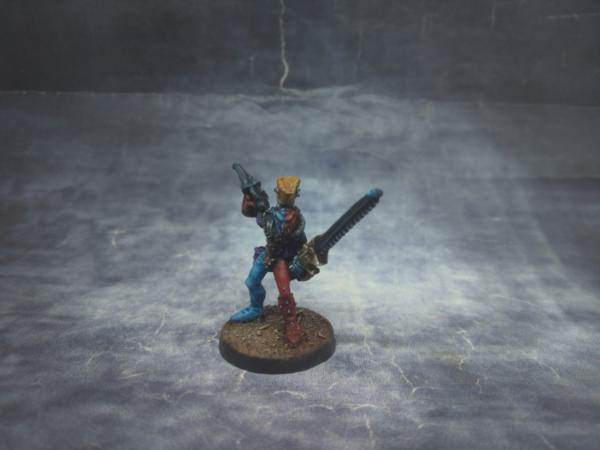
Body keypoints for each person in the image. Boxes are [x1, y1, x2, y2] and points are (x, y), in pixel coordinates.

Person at [229, 176, 307, 345]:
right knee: (252, 281)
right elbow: (250, 213)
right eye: (283, 194)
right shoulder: (269, 214)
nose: (286, 198)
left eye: (289, 195)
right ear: (277, 193)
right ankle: (256, 308)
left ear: (296, 195)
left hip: (283, 258)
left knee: (284, 292)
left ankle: (291, 323)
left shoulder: (296, 218)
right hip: (269, 253)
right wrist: (249, 198)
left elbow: (301, 240)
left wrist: (301, 259)